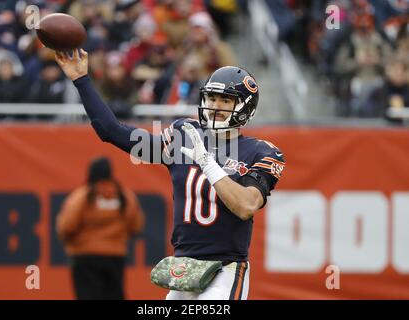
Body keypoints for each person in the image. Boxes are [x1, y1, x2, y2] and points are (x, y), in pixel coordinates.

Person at [54, 49, 285, 300]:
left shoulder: (260, 151)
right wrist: (81, 80)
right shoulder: (184, 136)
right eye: (212, 99)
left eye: (225, 101)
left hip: (225, 269)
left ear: (244, 107)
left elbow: (246, 205)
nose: (215, 107)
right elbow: (111, 131)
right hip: (184, 269)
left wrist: (207, 163)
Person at [56, 156, 144, 300]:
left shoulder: (82, 197)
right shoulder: (124, 196)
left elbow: (67, 226)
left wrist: (70, 242)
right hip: (115, 257)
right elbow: (136, 225)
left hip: (85, 259)